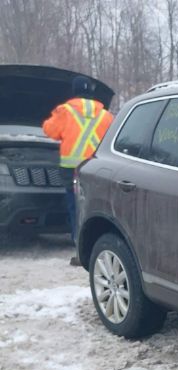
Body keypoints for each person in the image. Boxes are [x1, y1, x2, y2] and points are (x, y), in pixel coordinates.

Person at [42, 76, 113, 262]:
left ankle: (80, 250)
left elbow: (49, 130)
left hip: (72, 168)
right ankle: (99, 247)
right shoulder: (106, 115)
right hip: (97, 169)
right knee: (97, 207)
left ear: (74, 91)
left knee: (76, 207)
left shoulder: (65, 111)